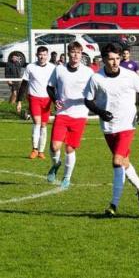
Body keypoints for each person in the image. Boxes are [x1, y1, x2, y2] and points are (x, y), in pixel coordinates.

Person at [85, 43, 139, 216]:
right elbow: (88, 100)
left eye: (117, 59)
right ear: (103, 60)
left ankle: (113, 205)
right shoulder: (96, 78)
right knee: (124, 162)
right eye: (111, 59)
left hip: (127, 124)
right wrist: (100, 112)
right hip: (108, 127)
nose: (114, 62)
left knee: (116, 161)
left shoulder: (129, 75)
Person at [45, 41, 95, 189]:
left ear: (82, 55)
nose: (75, 55)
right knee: (55, 147)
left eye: (78, 53)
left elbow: (95, 90)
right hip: (62, 114)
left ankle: (66, 178)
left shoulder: (88, 72)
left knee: (69, 149)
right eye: (73, 52)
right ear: (68, 54)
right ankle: (56, 164)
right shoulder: (59, 70)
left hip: (80, 115)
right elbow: (49, 87)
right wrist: (55, 100)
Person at [16, 46, 56, 159]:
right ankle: (34, 149)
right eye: (40, 54)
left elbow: (55, 86)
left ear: (47, 55)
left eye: (44, 54)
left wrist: (56, 100)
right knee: (37, 123)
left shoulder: (53, 68)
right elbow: (24, 85)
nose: (42, 56)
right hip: (34, 98)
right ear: (37, 55)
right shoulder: (30, 67)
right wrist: (19, 101)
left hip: (47, 100)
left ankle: (41, 151)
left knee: (44, 125)